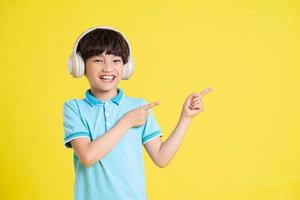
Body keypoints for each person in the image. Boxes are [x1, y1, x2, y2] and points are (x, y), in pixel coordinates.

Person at [63, 26, 213, 200]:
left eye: (116, 61)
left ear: (126, 67)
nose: (107, 68)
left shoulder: (138, 106)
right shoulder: (74, 108)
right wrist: (126, 122)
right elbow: (88, 157)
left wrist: (186, 118)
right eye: (98, 60)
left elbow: (161, 158)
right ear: (80, 66)